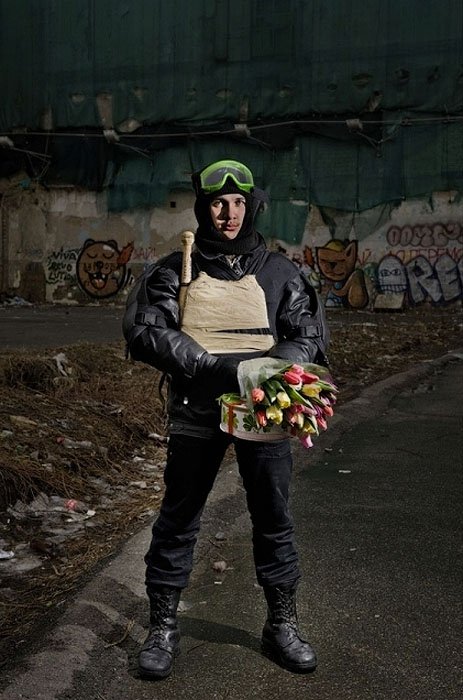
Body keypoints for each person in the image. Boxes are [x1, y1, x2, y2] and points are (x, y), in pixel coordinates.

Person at [125, 159, 329, 679]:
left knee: (273, 518)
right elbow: (146, 330)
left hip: (263, 412)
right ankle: (162, 627)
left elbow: (308, 335)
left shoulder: (280, 272)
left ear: (252, 206)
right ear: (203, 207)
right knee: (179, 519)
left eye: (239, 203)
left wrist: (269, 371)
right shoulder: (176, 268)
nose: (229, 214)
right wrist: (212, 367)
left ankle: (281, 625)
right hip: (196, 410)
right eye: (219, 203)